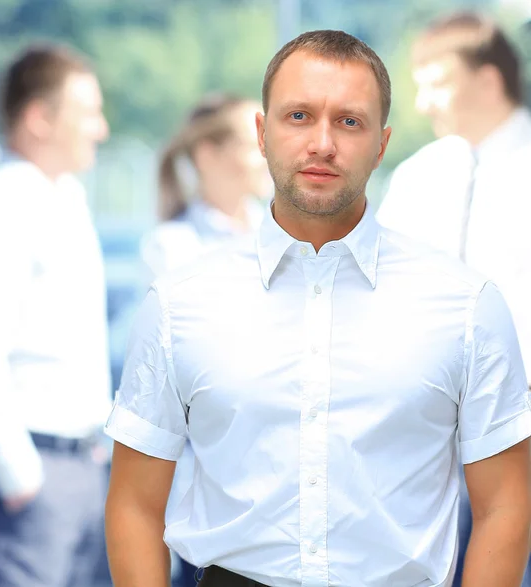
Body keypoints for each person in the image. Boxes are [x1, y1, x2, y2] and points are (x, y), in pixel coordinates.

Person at [104, 29, 531, 587]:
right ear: (262, 133)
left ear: (382, 143)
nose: (322, 143)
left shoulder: (468, 306)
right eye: (299, 116)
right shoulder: (180, 303)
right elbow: (134, 503)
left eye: (349, 121)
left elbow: (505, 506)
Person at [0, 44, 111, 587]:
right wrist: (19, 475)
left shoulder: (62, 198)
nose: (101, 130)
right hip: (32, 473)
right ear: (40, 118)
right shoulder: (3, 204)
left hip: (77, 468)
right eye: (87, 113)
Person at [375, 12, 531, 586]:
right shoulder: (419, 178)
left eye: (436, 82)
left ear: (488, 81)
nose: (422, 102)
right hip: (431, 436)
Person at [142, 92, 271, 587]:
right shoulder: (173, 248)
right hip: (213, 487)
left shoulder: (286, 233)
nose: (266, 150)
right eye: (248, 139)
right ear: (207, 155)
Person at [141, 92, 272, 281]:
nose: (269, 156)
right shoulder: (170, 248)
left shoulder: (279, 235)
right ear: (207, 155)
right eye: (254, 146)